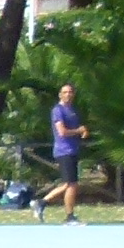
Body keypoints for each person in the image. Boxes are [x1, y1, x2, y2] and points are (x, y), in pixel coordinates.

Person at [44, 84, 85, 224]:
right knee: (70, 184)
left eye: (70, 92)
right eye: (65, 92)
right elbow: (62, 132)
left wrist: (82, 131)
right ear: (60, 94)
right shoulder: (58, 110)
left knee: (70, 184)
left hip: (73, 150)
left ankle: (42, 203)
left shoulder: (72, 110)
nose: (68, 94)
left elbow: (76, 129)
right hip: (63, 150)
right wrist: (79, 131)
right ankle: (69, 216)